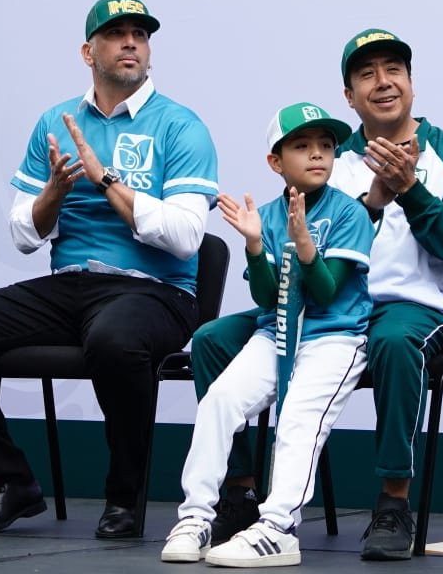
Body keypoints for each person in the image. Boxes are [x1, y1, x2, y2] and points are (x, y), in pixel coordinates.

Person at [0, 0, 219, 539]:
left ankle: (124, 499)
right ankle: (10, 481)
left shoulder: (180, 126)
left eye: (140, 35)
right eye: (116, 33)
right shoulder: (55, 122)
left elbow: (185, 237)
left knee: (114, 340)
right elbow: (23, 235)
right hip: (70, 285)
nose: (131, 43)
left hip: (158, 291)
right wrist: (53, 193)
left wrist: (106, 181)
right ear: (88, 51)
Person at [191, 29, 443, 561]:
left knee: (394, 342)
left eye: (393, 69)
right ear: (349, 96)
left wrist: (412, 192)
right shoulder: (328, 154)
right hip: (324, 306)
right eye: (367, 73)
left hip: (415, 307)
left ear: (412, 84)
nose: (383, 82)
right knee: (215, 339)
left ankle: (392, 503)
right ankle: (238, 496)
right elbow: (301, 242)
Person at [162, 103, 374, 567]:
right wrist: (256, 246)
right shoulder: (272, 213)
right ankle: (197, 516)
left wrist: (304, 246)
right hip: (276, 331)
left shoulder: (349, 213)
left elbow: (325, 292)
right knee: (220, 400)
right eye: (302, 146)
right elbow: (266, 297)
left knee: (297, 419)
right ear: (276, 162)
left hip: (333, 338)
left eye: (326, 146)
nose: (317, 154)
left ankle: (278, 527)